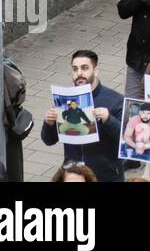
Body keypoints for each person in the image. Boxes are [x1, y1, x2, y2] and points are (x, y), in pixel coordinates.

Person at [39, 50, 123, 182]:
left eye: (85, 68)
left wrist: (108, 119)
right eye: (75, 69)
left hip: (106, 176)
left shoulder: (115, 100)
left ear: (95, 71)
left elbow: (125, 140)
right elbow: (48, 140)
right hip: (75, 175)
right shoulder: (65, 99)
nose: (79, 73)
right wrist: (48, 123)